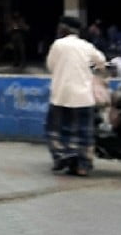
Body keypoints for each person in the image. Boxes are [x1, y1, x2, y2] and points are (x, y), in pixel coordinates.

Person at [45, 15, 108, 176]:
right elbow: (101, 61)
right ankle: (83, 166)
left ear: (64, 29)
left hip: (61, 96)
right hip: (83, 97)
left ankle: (63, 158)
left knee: (55, 131)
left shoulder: (58, 45)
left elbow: (50, 66)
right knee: (84, 133)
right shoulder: (86, 45)